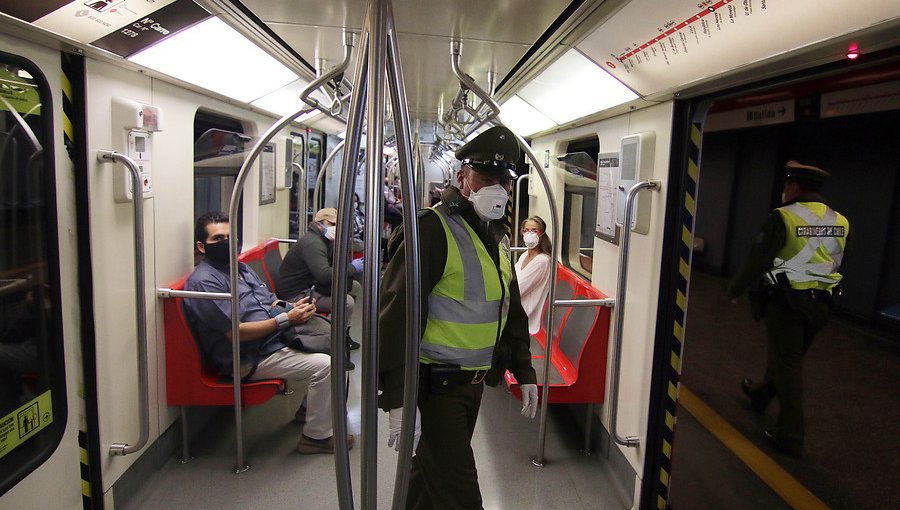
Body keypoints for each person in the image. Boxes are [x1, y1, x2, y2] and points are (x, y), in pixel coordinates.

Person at [378, 126, 538, 509]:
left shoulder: (496, 235)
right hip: (436, 388)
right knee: (461, 494)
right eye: (487, 178)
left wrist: (524, 369)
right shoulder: (431, 229)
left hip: (475, 384)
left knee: (430, 475)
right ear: (462, 176)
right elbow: (397, 315)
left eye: (504, 180)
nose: (497, 188)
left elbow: (509, 309)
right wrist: (399, 397)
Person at [183, 212, 352, 454]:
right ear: (201, 246)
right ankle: (315, 438)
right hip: (248, 355)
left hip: (270, 338)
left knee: (335, 341)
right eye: (218, 238)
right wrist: (285, 320)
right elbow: (235, 334)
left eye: (231, 237)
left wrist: (292, 308)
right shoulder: (205, 282)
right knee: (327, 366)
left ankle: (310, 411)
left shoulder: (240, 268)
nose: (227, 242)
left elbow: (268, 302)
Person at [726, 160, 850, 458]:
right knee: (787, 358)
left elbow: (758, 258)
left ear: (795, 186)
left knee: (788, 366)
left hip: (788, 304)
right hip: (822, 305)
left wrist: (735, 290)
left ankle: (790, 436)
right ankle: (759, 395)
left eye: (786, 184)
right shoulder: (841, 221)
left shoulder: (784, 217)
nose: (784, 190)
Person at [277, 207, 363, 351]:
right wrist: (352, 268)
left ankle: (344, 335)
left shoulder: (324, 240)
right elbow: (324, 274)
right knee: (346, 302)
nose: (336, 228)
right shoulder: (313, 243)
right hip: (296, 294)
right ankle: (334, 343)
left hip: (311, 285)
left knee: (354, 286)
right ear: (319, 223)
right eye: (332, 224)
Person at [515, 216, 553, 335]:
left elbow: (518, 289)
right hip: (516, 307)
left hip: (524, 314)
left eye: (534, 231)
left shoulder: (542, 261)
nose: (529, 234)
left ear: (541, 234)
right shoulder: (524, 255)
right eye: (526, 230)